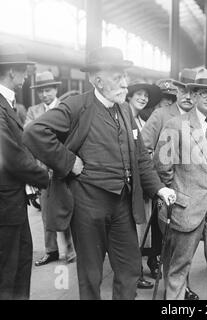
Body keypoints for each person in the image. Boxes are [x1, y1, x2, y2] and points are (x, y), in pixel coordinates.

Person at [23, 46, 176, 300]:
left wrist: (159, 188)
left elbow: (139, 158)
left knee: (128, 269)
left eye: (124, 76)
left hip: (122, 204)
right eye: (117, 78)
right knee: (91, 275)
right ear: (98, 81)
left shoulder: (125, 110)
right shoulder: (76, 106)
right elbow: (34, 133)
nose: (124, 84)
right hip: (87, 204)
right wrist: (69, 162)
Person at [154, 68, 207, 300]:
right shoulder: (175, 124)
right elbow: (163, 166)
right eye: (203, 92)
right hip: (186, 207)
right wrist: (182, 189)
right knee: (178, 268)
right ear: (194, 95)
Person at [141, 68, 200, 300]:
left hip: (194, 194)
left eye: (193, 91)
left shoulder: (200, 118)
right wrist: (157, 185)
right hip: (168, 192)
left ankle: (182, 288)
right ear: (176, 89)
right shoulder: (160, 115)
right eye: (183, 90)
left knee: (186, 248)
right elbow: (143, 150)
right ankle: (175, 292)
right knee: (170, 245)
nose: (187, 95)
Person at [0, 43, 49, 300]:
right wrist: (45, 177)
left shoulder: (9, 104)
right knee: (8, 270)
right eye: (24, 71)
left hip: (12, 202)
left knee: (20, 262)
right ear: (11, 73)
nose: (26, 77)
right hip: (5, 205)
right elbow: (11, 155)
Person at [24, 71, 76, 267]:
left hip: (62, 168)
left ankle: (70, 248)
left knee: (65, 208)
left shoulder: (64, 109)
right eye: (41, 91)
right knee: (46, 212)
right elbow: (28, 139)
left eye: (48, 90)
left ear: (56, 89)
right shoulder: (33, 111)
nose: (44, 94)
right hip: (42, 170)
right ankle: (51, 250)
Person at [126, 79, 162, 290]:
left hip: (143, 180)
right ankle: (134, 273)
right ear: (129, 96)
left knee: (143, 227)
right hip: (130, 182)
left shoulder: (142, 120)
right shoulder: (123, 118)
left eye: (146, 96)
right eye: (138, 94)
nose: (143, 98)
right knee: (133, 229)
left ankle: (140, 268)